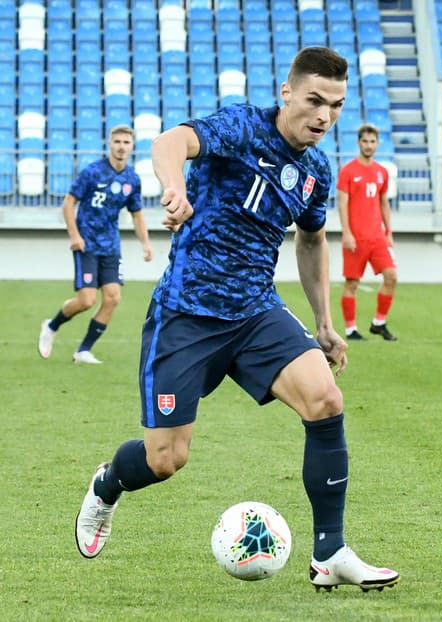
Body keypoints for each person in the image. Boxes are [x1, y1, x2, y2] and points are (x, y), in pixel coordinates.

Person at [74, 47, 400, 592]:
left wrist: (323, 322)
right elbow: (170, 142)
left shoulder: (315, 172)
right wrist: (173, 187)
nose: (323, 115)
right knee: (165, 459)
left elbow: (313, 240)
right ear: (287, 93)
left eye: (336, 106)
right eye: (315, 100)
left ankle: (330, 553)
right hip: (187, 313)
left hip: (254, 311)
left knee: (326, 400)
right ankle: (108, 483)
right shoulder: (242, 127)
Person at [38, 125, 153, 364]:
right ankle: (51, 325)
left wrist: (146, 243)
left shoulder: (132, 178)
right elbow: (69, 203)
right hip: (87, 244)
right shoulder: (92, 172)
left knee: (113, 298)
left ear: (132, 147)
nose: (121, 146)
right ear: (110, 144)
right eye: (117, 142)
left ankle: (83, 351)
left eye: (126, 142)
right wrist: (74, 236)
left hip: (111, 246)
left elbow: (137, 213)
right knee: (86, 301)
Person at [336, 124, 398, 341]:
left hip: (377, 237)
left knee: (391, 276)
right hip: (356, 237)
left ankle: (378, 323)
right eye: (365, 141)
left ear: (377, 144)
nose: (369, 145)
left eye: (372, 142)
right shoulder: (348, 171)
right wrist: (346, 233)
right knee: (352, 283)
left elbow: (383, 203)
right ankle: (350, 329)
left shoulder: (382, 172)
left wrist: (388, 231)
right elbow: (342, 204)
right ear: (358, 142)